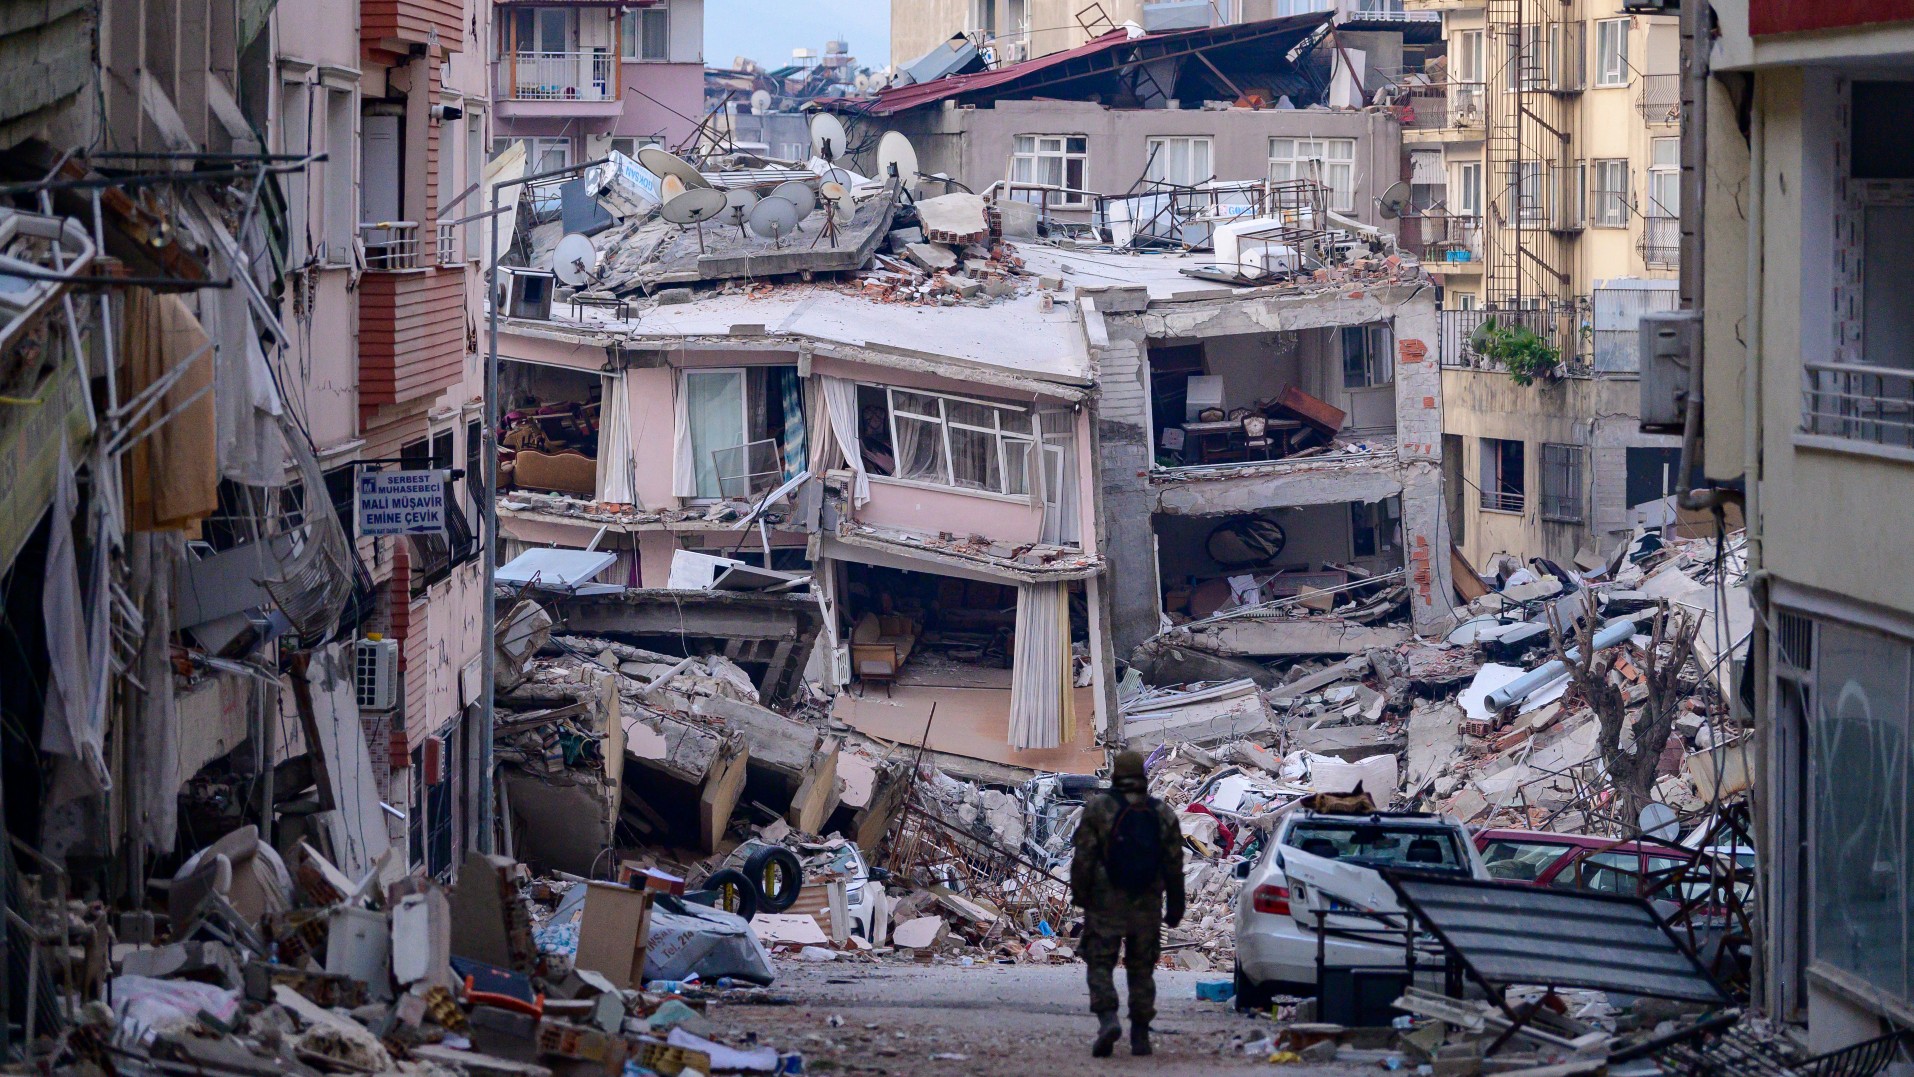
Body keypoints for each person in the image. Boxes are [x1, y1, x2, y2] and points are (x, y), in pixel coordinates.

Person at [1070, 750, 1185, 1057]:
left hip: (1106, 901)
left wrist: (1081, 895)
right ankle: (1140, 1035)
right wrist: (1176, 906)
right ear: (1143, 776)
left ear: (1115, 775)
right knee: (1141, 968)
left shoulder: (1098, 809)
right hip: (1146, 901)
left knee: (1100, 963)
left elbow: (1084, 857)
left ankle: (1108, 1019)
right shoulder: (1162, 813)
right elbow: (1174, 864)